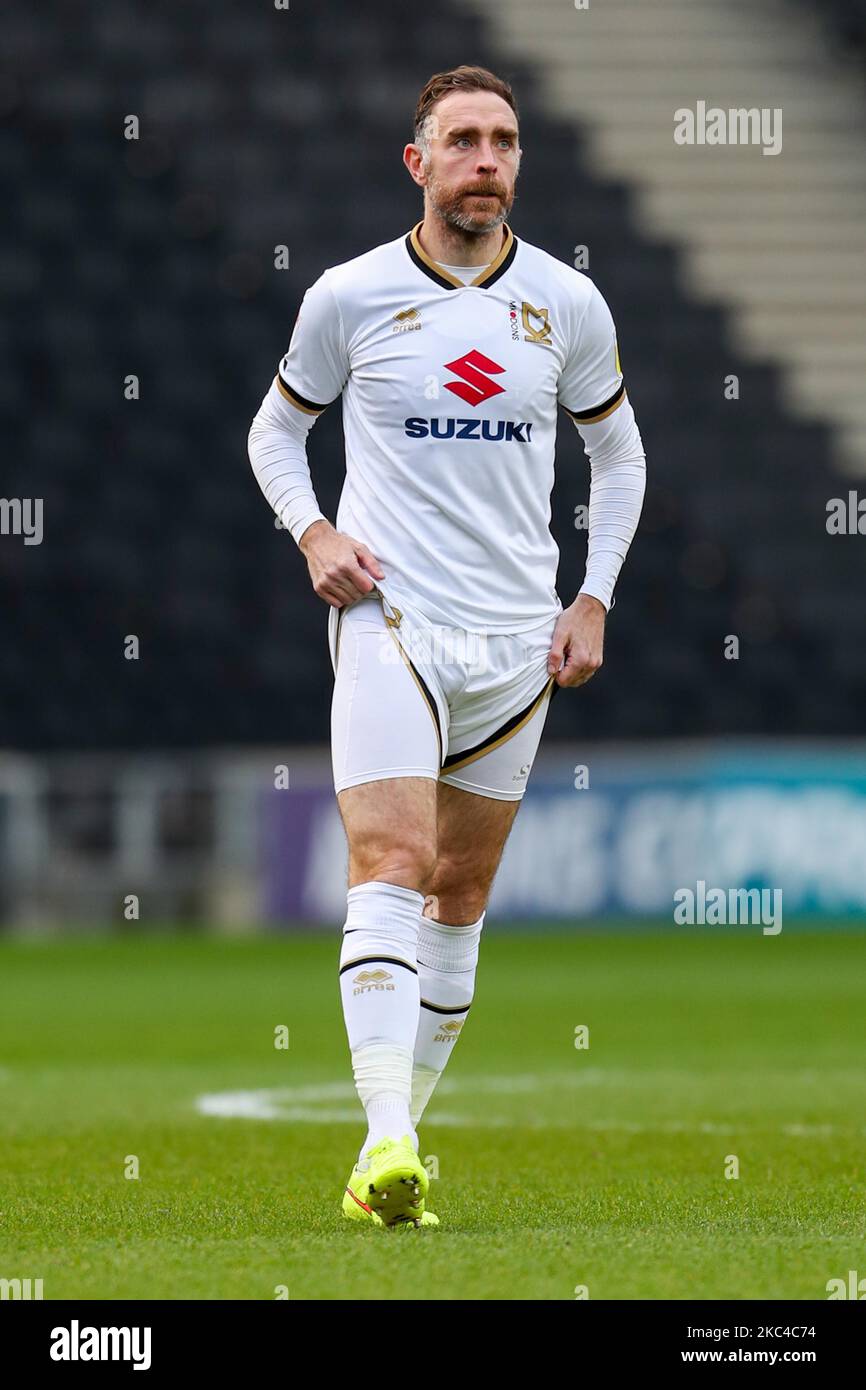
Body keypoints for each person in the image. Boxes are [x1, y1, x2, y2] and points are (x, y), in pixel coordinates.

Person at [248, 64, 646, 1229]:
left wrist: (593, 598)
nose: (486, 160)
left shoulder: (567, 305)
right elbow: (277, 433)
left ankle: (391, 1156)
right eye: (462, 141)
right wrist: (314, 529)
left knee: (461, 895)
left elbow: (616, 459)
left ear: (519, 162)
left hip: (518, 644)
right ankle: (384, 1139)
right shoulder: (349, 295)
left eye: (504, 141)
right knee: (392, 862)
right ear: (416, 163)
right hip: (393, 621)